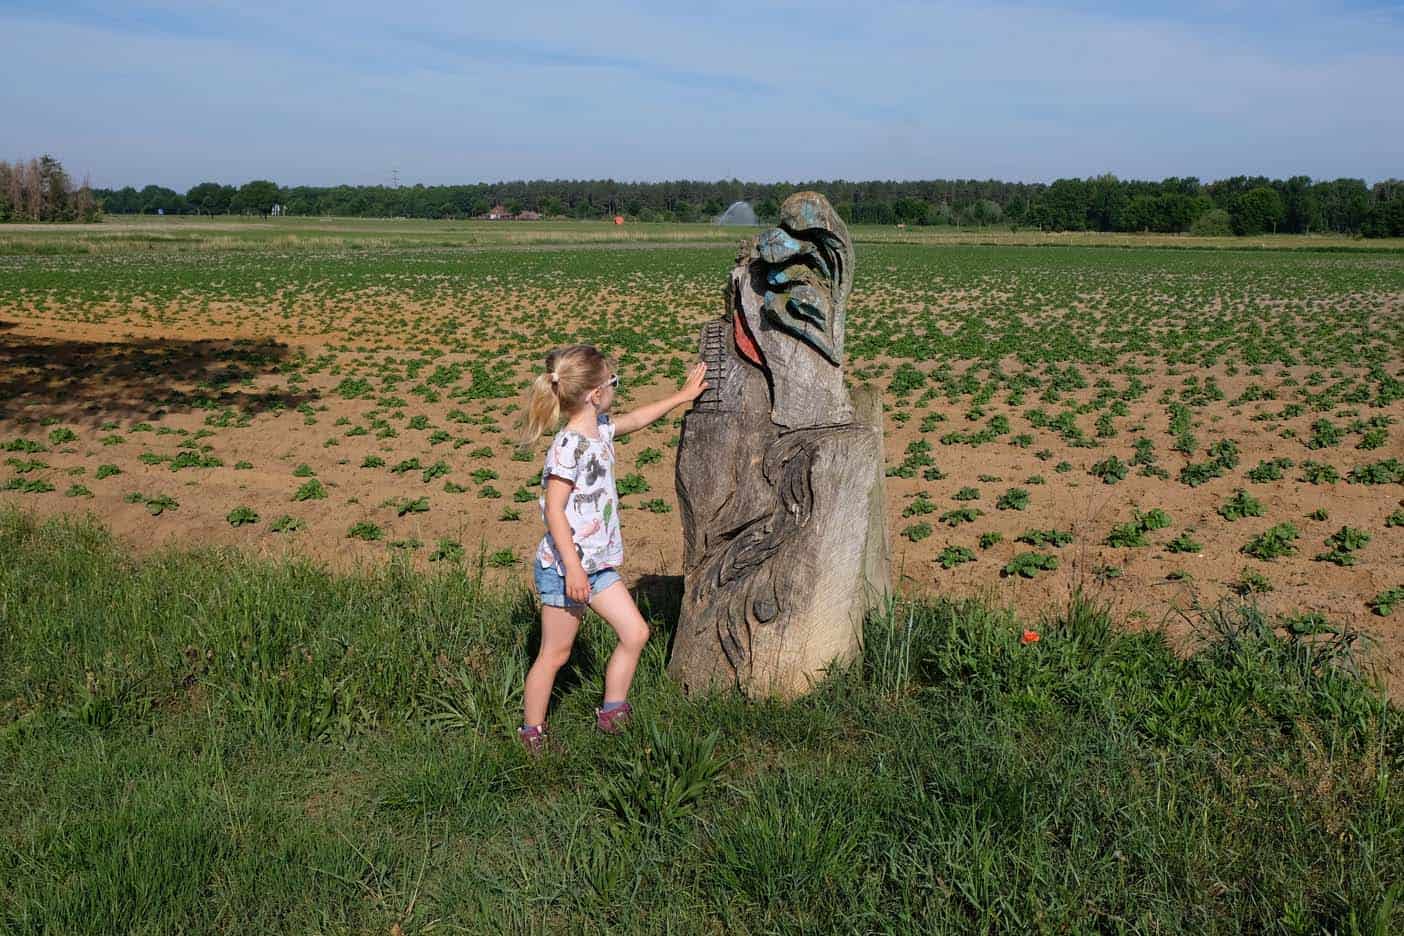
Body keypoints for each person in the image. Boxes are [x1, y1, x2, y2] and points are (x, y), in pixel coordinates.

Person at [514, 344, 707, 753]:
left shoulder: (598, 429)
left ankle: (612, 714)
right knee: (556, 653)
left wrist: (681, 397)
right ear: (594, 394)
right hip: (567, 569)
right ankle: (532, 734)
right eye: (613, 383)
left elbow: (635, 420)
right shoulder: (567, 447)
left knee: (635, 633)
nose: (616, 389)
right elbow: (553, 510)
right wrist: (573, 568)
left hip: (597, 566)